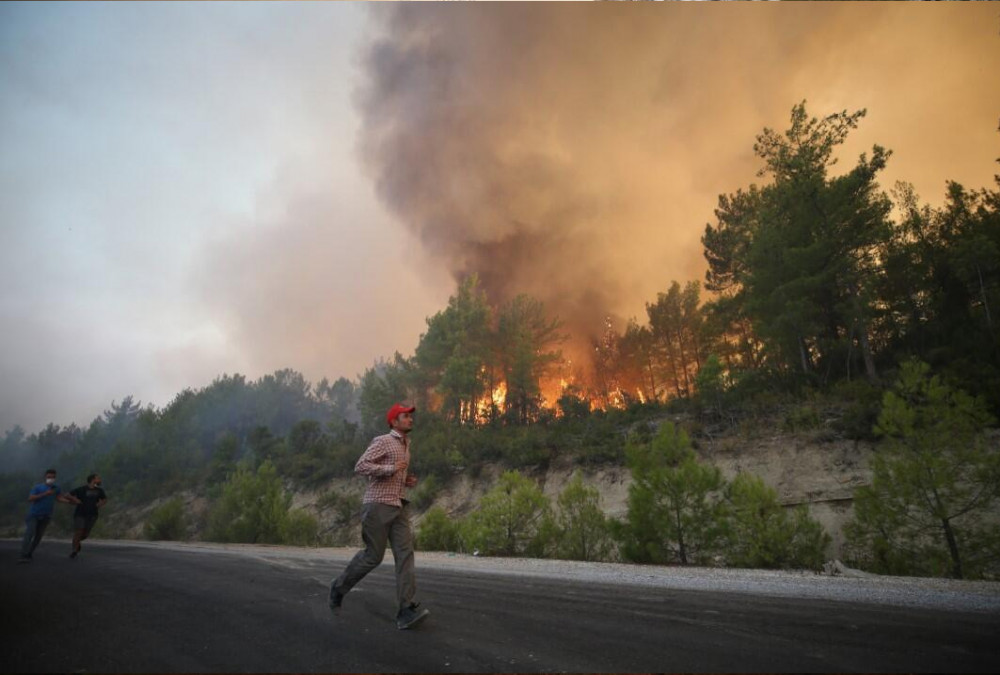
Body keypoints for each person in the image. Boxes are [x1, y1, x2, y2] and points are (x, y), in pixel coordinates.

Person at [329, 403, 430, 630]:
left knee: (405, 555)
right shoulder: (383, 441)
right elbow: (361, 465)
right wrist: (391, 469)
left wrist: (406, 481)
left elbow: (394, 473)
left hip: (398, 506)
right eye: (406, 416)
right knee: (373, 557)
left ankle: (405, 610)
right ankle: (338, 587)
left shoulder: (406, 445)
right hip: (377, 506)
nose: (410, 419)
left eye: (410, 416)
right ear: (394, 421)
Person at [19, 469, 78, 563]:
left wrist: (69, 502)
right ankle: (23, 555)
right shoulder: (38, 487)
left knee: (38, 537)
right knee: (29, 534)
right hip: (34, 515)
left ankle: (29, 553)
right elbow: (30, 498)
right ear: (45, 477)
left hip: (46, 516)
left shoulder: (56, 488)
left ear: (55, 478)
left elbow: (59, 498)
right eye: (49, 477)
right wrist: (44, 494)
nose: (51, 479)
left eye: (53, 477)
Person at [68, 473, 107, 559]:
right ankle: (74, 550)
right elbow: (69, 494)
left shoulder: (99, 490)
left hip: (92, 514)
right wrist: (75, 500)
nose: (99, 480)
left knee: (85, 534)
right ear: (93, 480)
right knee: (79, 531)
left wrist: (99, 504)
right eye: (98, 478)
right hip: (80, 513)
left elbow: (104, 499)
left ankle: (76, 541)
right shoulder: (81, 489)